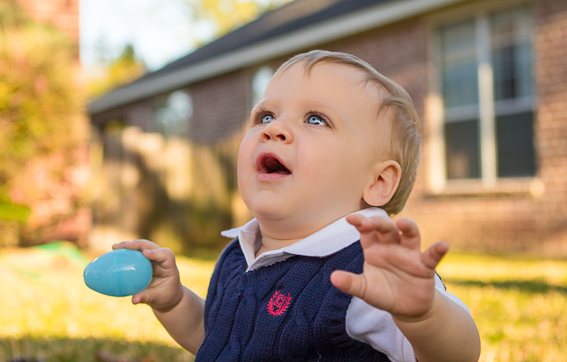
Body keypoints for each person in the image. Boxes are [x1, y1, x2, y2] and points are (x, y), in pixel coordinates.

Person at [114, 50, 481, 362]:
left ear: (378, 182)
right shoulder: (238, 255)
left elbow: (457, 355)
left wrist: (423, 315)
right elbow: (216, 339)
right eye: (266, 116)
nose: (275, 129)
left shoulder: (370, 272)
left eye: (315, 119)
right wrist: (174, 302)